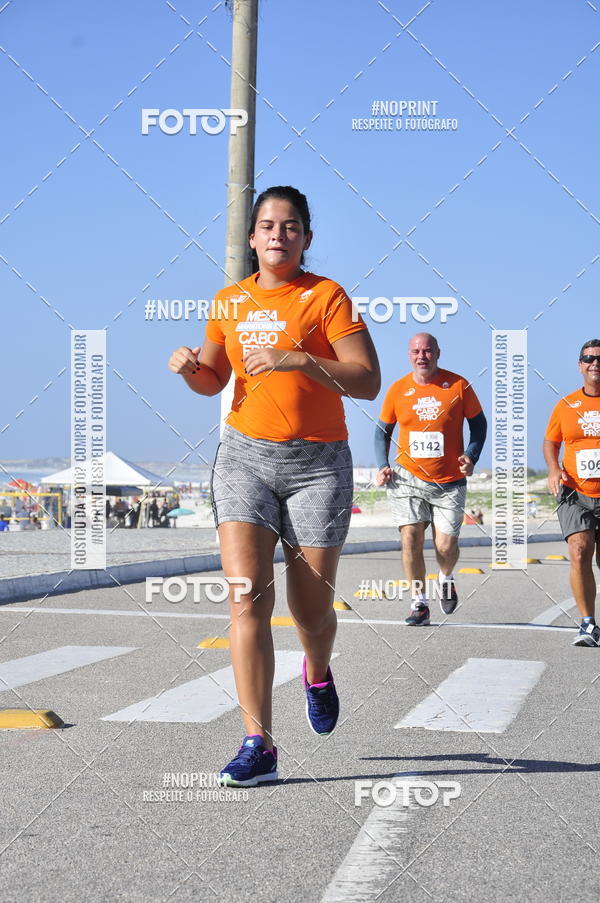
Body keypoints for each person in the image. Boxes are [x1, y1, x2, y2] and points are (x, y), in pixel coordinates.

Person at [168, 185, 380, 786]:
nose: (278, 235)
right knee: (246, 597)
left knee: (310, 610)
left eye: (291, 227)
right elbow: (214, 381)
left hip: (317, 465)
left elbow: (366, 381)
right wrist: (191, 370)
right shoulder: (228, 301)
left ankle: (317, 668)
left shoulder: (326, 296)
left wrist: (299, 360)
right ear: (253, 238)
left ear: (307, 238)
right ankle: (258, 742)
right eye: (267, 226)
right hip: (244, 459)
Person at [374, 333, 487, 625]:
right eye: (416, 351)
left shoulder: (458, 385)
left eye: (427, 351)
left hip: (449, 480)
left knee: (445, 546)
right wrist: (381, 465)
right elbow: (382, 431)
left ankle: (446, 578)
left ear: (438, 353)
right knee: (410, 539)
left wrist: (471, 455)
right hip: (407, 478)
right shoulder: (398, 390)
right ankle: (419, 604)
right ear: (408, 355)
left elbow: (479, 425)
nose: (421, 356)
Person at [543, 339, 600, 647]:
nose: (594, 363)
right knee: (579, 551)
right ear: (580, 365)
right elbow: (550, 442)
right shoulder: (565, 406)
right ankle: (588, 623)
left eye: (599, 358)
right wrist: (554, 470)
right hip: (575, 492)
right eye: (588, 358)